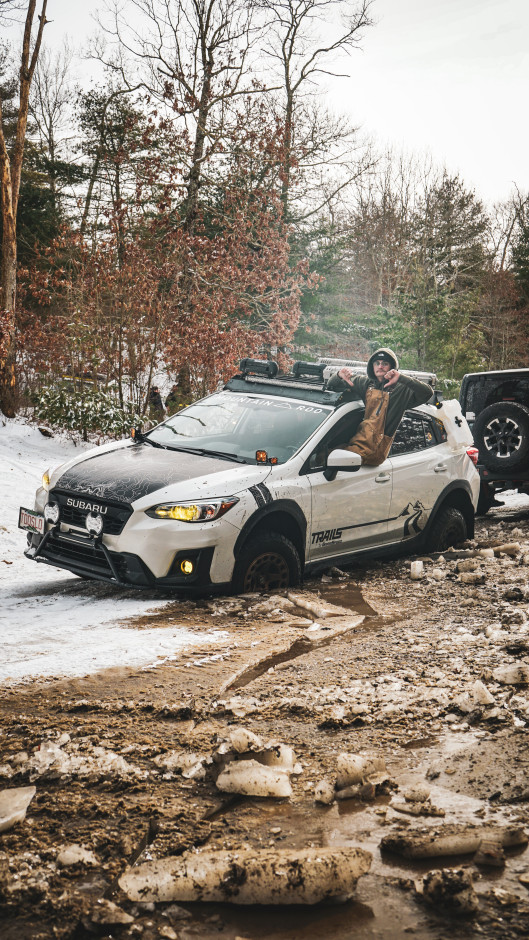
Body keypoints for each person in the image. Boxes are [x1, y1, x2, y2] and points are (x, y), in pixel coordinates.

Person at [326, 347, 433, 466]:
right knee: (323, 453)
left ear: (392, 367)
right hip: (359, 441)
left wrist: (401, 378)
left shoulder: (402, 389)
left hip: (375, 450)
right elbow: (331, 385)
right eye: (377, 363)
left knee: (324, 459)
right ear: (372, 366)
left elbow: (428, 393)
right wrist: (339, 375)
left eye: (385, 364)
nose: (380, 366)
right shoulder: (366, 383)